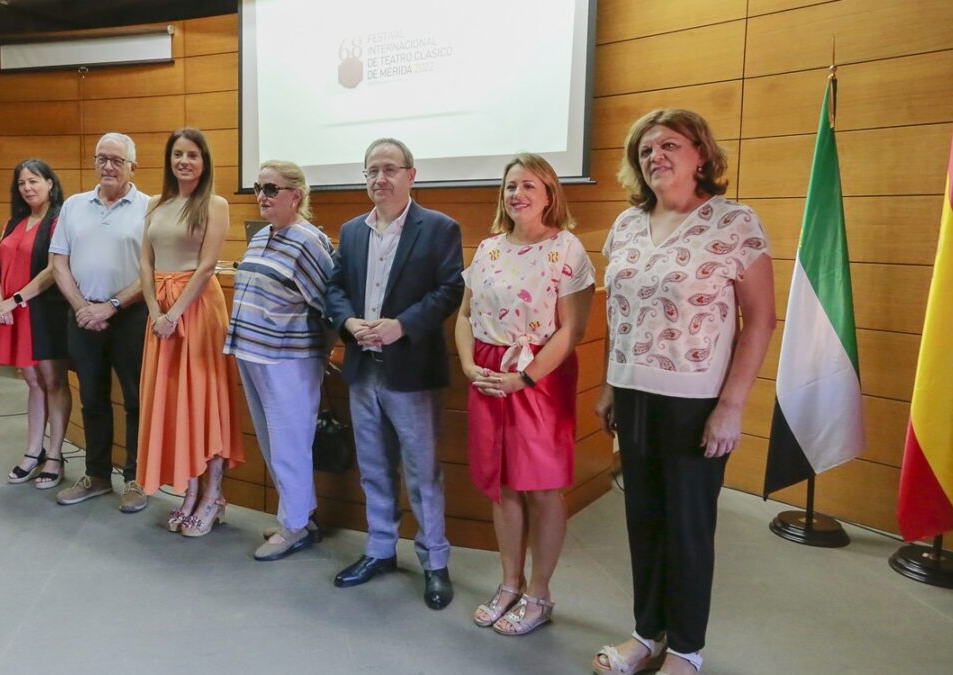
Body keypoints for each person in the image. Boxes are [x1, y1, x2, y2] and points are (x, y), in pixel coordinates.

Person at [593, 109, 775, 675]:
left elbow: (761, 320)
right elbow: (617, 313)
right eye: (645, 150)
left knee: (688, 526)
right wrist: (607, 384)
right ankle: (647, 635)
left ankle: (688, 650)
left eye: (670, 145)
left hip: (696, 401)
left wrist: (732, 405)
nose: (656, 157)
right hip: (631, 392)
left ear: (701, 154)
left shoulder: (734, 223)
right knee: (642, 519)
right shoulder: (625, 225)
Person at [455, 153, 595, 636]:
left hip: (540, 377)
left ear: (550, 194)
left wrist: (526, 377)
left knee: (541, 486)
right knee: (504, 483)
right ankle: (509, 583)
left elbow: (571, 330)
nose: (518, 194)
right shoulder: (488, 248)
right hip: (489, 374)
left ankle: (540, 593)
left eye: (529, 185)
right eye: (511, 185)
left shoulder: (568, 249)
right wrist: (470, 364)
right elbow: (466, 316)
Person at [325, 138, 464, 610]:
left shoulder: (439, 228)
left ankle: (434, 563)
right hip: (364, 371)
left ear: (411, 174)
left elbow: (450, 290)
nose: (379, 179)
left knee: (423, 473)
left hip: (412, 372)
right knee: (375, 469)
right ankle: (380, 550)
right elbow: (335, 288)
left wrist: (400, 326)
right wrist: (348, 322)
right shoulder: (352, 230)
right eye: (371, 171)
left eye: (389, 169)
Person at [224, 159, 335, 560]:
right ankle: (298, 515)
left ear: (296, 196)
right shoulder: (261, 236)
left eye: (271, 189)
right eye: (258, 188)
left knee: (290, 444)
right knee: (273, 444)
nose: (261, 196)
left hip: (288, 359)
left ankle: (295, 526)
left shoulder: (309, 241)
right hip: (252, 355)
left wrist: (321, 355)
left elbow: (330, 305)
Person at [137, 128, 244, 536]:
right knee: (174, 402)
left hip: (197, 310)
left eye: (193, 155)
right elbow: (145, 262)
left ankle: (213, 494)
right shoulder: (153, 202)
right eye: (178, 154)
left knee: (203, 399)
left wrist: (176, 314)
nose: (184, 161)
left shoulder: (214, 204)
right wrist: (154, 311)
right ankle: (190, 489)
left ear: (204, 162)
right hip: (159, 314)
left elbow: (206, 266)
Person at [50, 132, 152, 513]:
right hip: (82, 316)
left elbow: (152, 271)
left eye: (117, 160)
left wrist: (110, 305)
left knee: (135, 400)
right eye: (102, 159)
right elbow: (58, 262)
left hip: (130, 316)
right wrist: (82, 307)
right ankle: (96, 476)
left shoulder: (149, 207)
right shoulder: (74, 206)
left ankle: (136, 479)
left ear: (132, 167)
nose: (108, 166)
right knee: (91, 397)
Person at [0, 159, 72, 490]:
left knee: (52, 380)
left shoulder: (58, 220)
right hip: (12, 312)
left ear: (50, 183)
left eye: (34, 181)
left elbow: (53, 270)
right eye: (22, 183)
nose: (27, 187)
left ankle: (55, 454)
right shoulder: (14, 220)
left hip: (43, 311)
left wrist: (16, 300)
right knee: (32, 381)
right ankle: (33, 450)